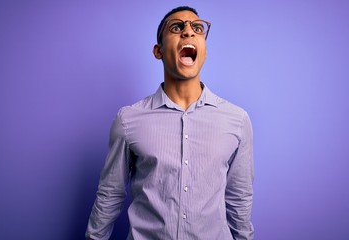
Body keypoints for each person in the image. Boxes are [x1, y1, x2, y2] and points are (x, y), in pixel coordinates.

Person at [86, 6, 254, 240]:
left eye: (197, 28)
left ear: (204, 50)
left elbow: (239, 198)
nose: (189, 32)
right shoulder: (128, 119)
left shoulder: (237, 120)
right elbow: (110, 195)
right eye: (177, 27)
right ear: (158, 51)